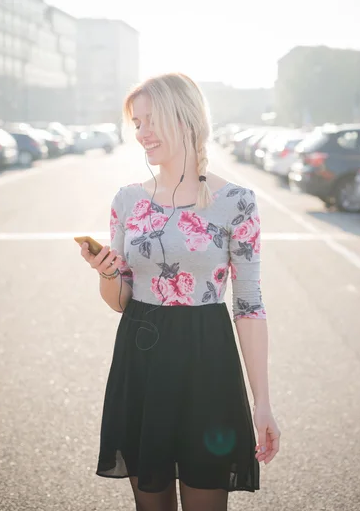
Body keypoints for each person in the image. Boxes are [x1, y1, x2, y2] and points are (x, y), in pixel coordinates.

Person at [79, 73, 280, 511]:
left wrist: (261, 402)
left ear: (186, 118)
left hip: (207, 363)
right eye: (136, 123)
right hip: (140, 362)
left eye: (151, 120)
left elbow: (249, 304)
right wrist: (106, 275)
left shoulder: (237, 202)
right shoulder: (127, 200)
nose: (141, 133)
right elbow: (122, 302)